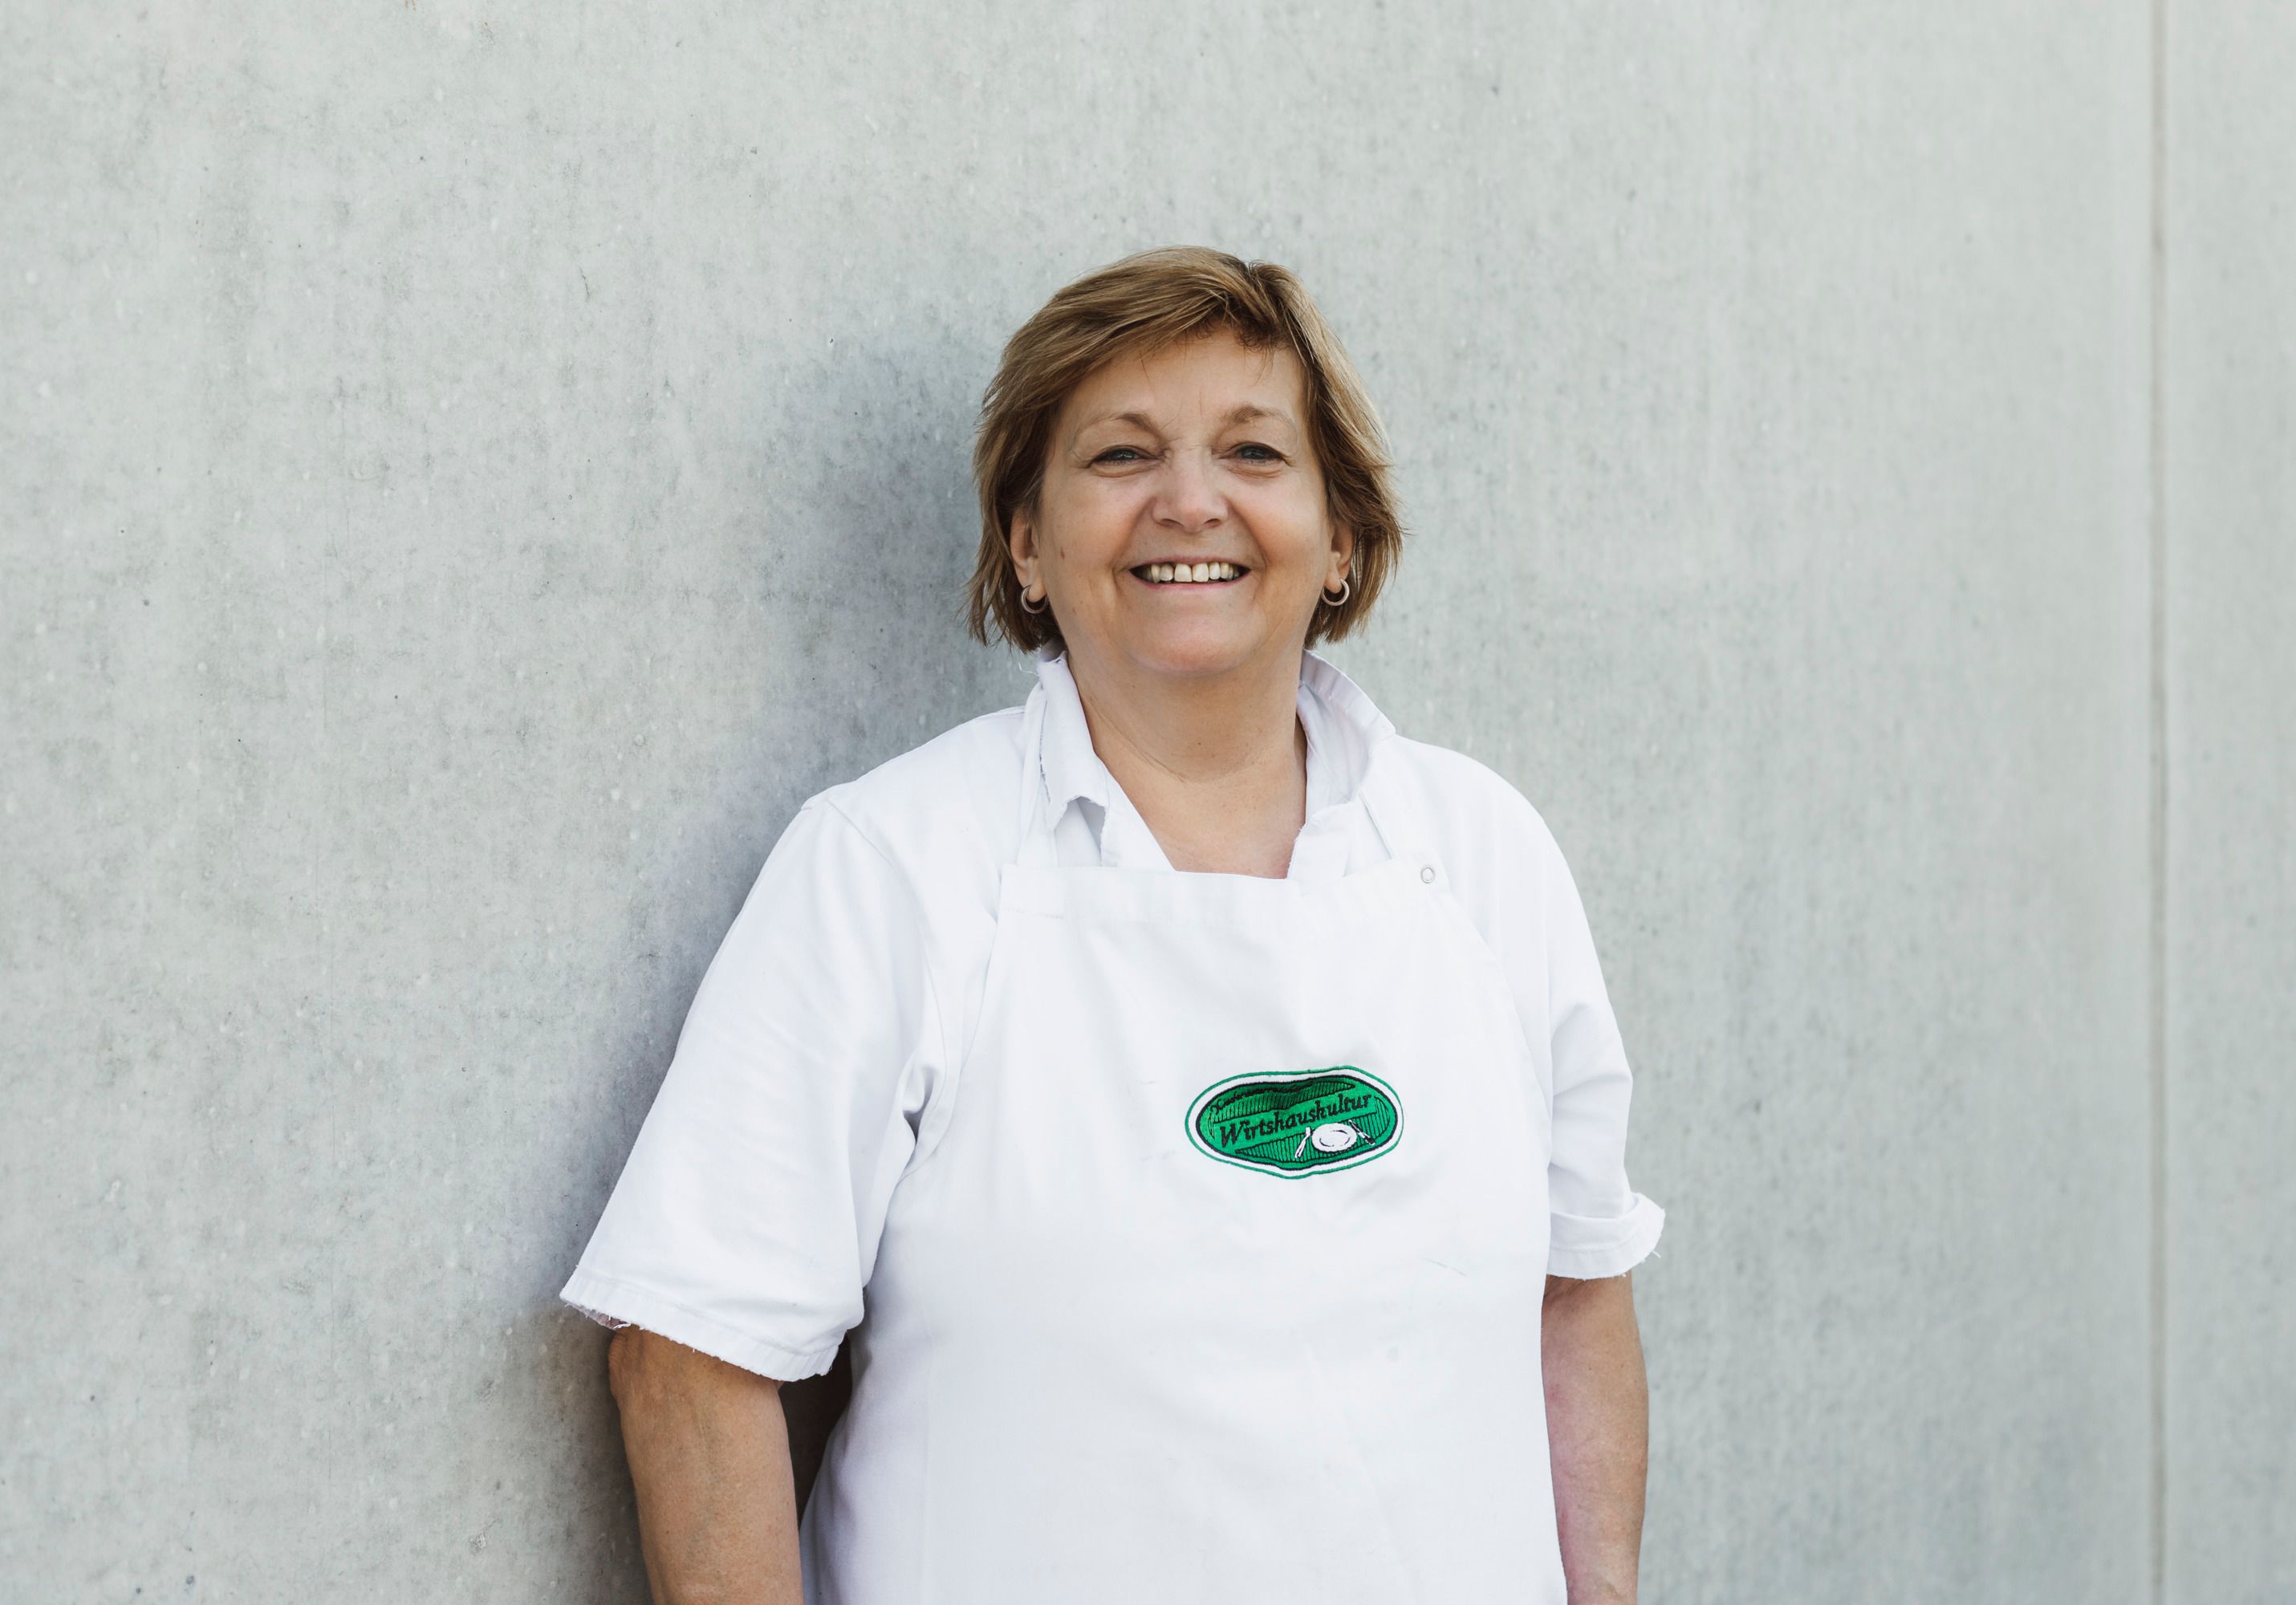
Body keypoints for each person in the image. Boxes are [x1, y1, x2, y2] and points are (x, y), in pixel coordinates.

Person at [560, 246, 1666, 1604]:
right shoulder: (894, 867)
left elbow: (1577, 1289)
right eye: (1119, 457)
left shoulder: (1488, 855)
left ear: (1345, 539)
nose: (1188, 501)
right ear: (1025, 542)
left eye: (1255, 453)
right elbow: (690, 1352)